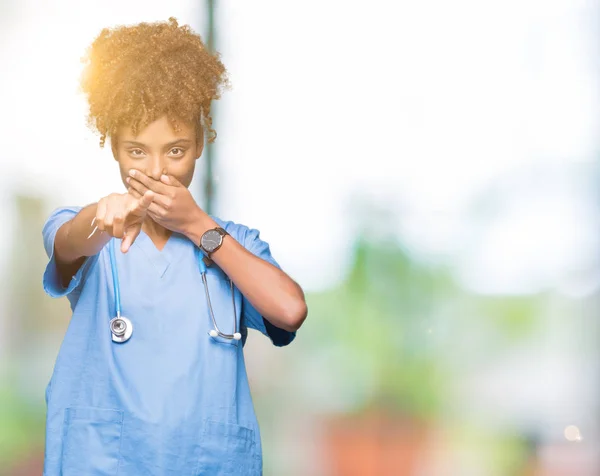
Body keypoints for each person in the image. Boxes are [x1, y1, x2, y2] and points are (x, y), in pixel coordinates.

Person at [41, 17, 307, 475]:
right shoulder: (90, 230)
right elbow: (67, 244)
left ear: (201, 143)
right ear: (113, 147)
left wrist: (199, 226)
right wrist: (101, 217)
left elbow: (289, 310)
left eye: (176, 150)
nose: (159, 169)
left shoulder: (235, 244)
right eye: (137, 150)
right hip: (102, 461)